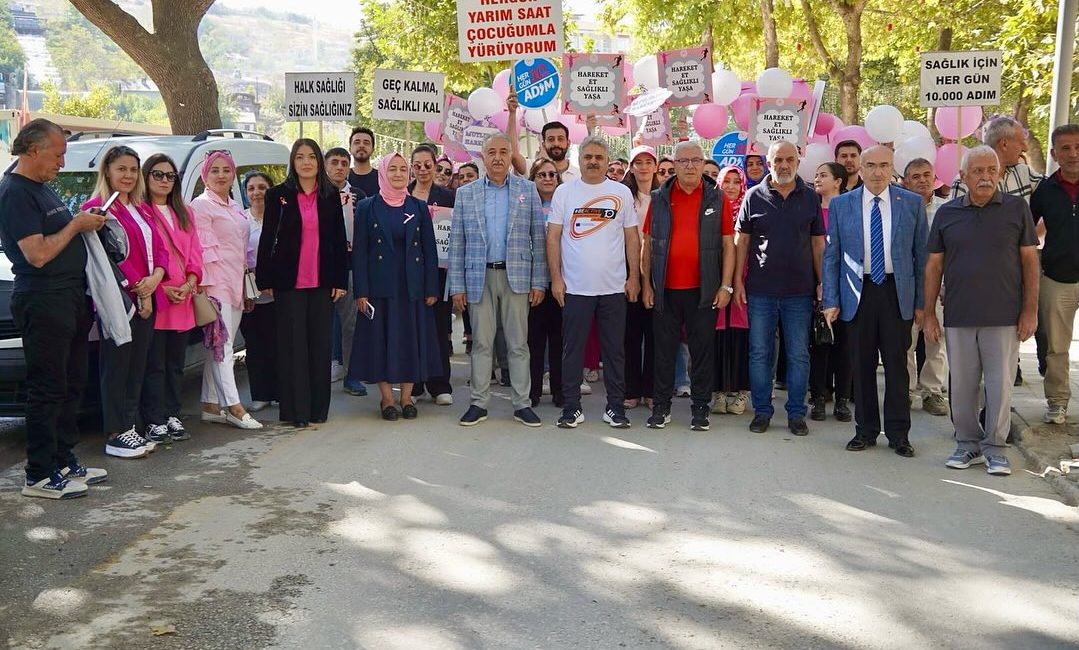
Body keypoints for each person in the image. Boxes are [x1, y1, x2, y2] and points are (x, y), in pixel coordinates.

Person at [0, 119, 106, 498]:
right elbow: (38, 254)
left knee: (71, 383)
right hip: (43, 299)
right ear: (33, 150)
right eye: (58, 153)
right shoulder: (15, 192)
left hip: (70, 298)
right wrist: (77, 224)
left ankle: (64, 459)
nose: (62, 161)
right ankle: (39, 474)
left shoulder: (43, 189)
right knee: (47, 387)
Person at [924, 145, 1040, 476]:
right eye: (978, 171)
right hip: (959, 315)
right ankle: (967, 444)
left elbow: (1030, 261)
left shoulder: (1017, 209)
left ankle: (996, 448)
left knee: (1000, 385)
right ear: (963, 177)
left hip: (1004, 315)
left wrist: (1030, 310)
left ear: (1000, 174)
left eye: (992, 170)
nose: (986, 176)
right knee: (961, 385)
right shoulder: (947, 214)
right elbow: (934, 266)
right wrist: (930, 313)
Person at [822, 146, 928, 457]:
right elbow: (832, 257)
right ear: (861, 169)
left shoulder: (911, 203)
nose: (878, 172)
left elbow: (922, 257)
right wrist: (831, 299)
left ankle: (898, 434)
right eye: (871, 165)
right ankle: (865, 430)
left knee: (897, 366)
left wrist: (922, 302)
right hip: (859, 292)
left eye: (884, 165)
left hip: (897, 293)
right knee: (861, 364)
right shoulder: (843, 205)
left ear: (892, 167)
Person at [449, 133, 548, 427]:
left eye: (504, 151)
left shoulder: (527, 190)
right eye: (491, 152)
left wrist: (538, 281)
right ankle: (478, 403)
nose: (498, 157)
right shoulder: (466, 194)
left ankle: (522, 404)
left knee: (518, 343)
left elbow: (538, 239)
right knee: (481, 343)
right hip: (479, 277)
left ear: (510, 156)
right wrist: (457, 287)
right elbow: (457, 244)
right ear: (482, 156)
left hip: (516, 276)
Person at [548, 136, 641, 428]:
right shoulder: (565, 192)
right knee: (572, 351)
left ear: (607, 160)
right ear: (580, 159)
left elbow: (631, 238)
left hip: (614, 288)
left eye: (599, 157)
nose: (593, 161)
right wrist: (556, 279)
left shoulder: (621, 193)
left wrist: (634, 277)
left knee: (614, 351)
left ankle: (615, 407)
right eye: (588, 156)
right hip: (575, 288)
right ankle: (571, 407)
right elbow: (553, 237)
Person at [82, 145, 169, 457]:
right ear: (108, 171)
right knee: (116, 366)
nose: (129, 175)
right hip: (120, 301)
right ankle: (116, 433)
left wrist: (157, 277)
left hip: (148, 297)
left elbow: (160, 248)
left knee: (137, 366)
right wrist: (140, 290)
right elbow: (110, 257)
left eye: (133, 169)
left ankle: (130, 427)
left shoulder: (142, 207)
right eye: (122, 169)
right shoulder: (98, 209)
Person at [733, 141, 825, 436]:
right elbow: (741, 242)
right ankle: (762, 412)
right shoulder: (753, 196)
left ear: (798, 162)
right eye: (777, 160)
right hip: (760, 289)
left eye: (789, 159)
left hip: (800, 290)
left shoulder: (810, 197)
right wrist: (736, 281)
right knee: (759, 354)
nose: (784, 165)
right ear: (768, 163)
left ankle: (796, 414)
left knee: (798, 354)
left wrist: (822, 282)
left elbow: (817, 244)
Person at [641, 141, 735, 431]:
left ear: (703, 163)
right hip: (665, 291)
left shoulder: (717, 199)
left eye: (696, 160)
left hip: (704, 291)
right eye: (684, 161)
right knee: (663, 352)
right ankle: (661, 408)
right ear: (674, 165)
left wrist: (726, 286)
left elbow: (727, 246)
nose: (690, 166)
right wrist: (647, 285)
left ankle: (700, 410)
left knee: (702, 352)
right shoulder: (658, 198)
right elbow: (647, 245)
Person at [256, 139, 348, 428]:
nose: (306, 162)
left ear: (318, 162)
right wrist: (265, 278)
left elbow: (337, 239)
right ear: (292, 162)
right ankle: (296, 411)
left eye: (311, 157)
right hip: (288, 282)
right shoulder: (277, 195)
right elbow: (267, 236)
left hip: (322, 281)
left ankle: (318, 409)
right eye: (300, 157)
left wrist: (340, 280)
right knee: (292, 346)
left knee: (319, 346)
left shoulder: (330, 194)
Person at [950, 116, 1043, 386]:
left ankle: (996, 419)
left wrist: (1029, 236)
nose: (1023, 148)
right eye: (1019, 143)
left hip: (1011, 283)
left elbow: (1056, 195)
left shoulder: (1024, 173)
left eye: (991, 171)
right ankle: (969, 420)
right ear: (1004, 143)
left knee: (1001, 368)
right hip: (972, 288)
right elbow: (956, 236)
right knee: (969, 371)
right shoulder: (962, 184)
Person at [350, 153, 442, 421]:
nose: (399, 174)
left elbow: (429, 250)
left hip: (411, 287)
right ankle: (388, 399)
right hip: (380, 288)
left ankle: (407, 397)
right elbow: (360, 252)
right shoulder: (368, 207)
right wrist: (361, 291)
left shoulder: (418, 206)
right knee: (381, 341)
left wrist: (431, 287)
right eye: (393, 169)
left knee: (411, 340)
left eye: (404, 169)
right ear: (383, 172)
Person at [191, 150, 263, 430]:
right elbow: (201, 250)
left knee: (219, 348)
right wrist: (206, 289)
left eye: (226, 170)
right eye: (215, 170)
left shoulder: (233, 206)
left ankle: (210, 404)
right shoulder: (200, 207)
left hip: (236, 284)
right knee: (223, 347)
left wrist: (246, 287)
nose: (221, 175)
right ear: (205, 176)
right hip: (215, 285)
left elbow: (242, 251)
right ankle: (234, 406)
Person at [138, 154, 202, 443]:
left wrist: (190, 284)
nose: (164, 180)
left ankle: (173, 413)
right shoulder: (139, 211)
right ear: (146, 176)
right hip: (155, 297)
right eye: (158, 174)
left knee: (176, 363)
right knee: (154, 363)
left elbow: (195, 255)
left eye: (170, 175)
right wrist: (161, 288)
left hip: (183, 298)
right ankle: (154, 418)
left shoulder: (184, 212)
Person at [1032, 124, 1079, 424]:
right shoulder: (1045, 190)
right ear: (1054, 153)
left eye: (1077, 146)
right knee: (1056, 349)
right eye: (1065, 148)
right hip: (1056, 279)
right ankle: (1058, 403)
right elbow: (1025, 232)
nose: (1073, 153)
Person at [901, 157, 949, 416]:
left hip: (938, 288)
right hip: (906, 287)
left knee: (936, 340)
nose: (921, 180)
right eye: (916, 176)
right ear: (906, 182)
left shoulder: (947, 209)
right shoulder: (900, 208)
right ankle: (906, 391)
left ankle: (933, 392)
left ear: (934, 178)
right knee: (905, 342)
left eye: (926, 175)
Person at [409, 143, 456, 405]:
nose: (424, 169)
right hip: (410, 273)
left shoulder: (447, 197)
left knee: (438, 328)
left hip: (439, 273)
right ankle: (414, 386)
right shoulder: (401, 195)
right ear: (411, 167)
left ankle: (440, 385)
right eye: (418, 165)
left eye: (429, 165)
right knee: (412, 328)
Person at [809, 162, 853, 422]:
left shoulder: (849, 209)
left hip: (845, 286)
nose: (817, 179)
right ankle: (817, 397)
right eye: (816, 174)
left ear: (838, 181)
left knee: (844, 345)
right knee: (818, 344)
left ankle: (842, 400)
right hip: (815, 287)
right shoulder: (811, 210)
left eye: (823, 175)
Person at [324, 146, 366, 396]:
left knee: (351, 324)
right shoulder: (315, 194)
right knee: (319, 324)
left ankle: (353, 376)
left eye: (343, 163)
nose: (339, 167)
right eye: (334, 162)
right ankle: (319, 372)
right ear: (326, 166)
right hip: (320, 268)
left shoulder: (359, 195)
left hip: (350, 266)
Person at [622, 145, 659, 410]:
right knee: (630, 333)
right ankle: (631, 388)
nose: (644, 167)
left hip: (658, 271)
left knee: (656, 333)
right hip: (626, 269)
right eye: (639, 162)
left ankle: (651, 388)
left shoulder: (664, 197)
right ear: (631, 167)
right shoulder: (624, 197)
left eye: (649, 162)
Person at [713, 165, 751, 416]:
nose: (730, 186)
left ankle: (741, 393)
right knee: (716, 340)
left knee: (742, 340)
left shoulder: (749, 212)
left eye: (736, 182)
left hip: (745, 285)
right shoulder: (710, 211)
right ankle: (716, 392)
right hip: (715, 284)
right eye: (726, 181)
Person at [238, 172, 278, 410]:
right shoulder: (241, 221)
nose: (257, 192)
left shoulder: (281, 219)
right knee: (255, 344)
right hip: (249, 292)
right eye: (251, 188)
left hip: (277, 292)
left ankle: (280, 392)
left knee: (279, 344)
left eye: (262, 187)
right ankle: (260, 394)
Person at [527, 158, 564, 408]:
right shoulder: (525, 206)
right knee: (534, 340)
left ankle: (560, 391)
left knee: (560, 339)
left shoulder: (566, 203)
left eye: (552, 174)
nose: (548, 178)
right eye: (542, 175)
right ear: (534, 179)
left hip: (562, 280)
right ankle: (534, 391)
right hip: (534, 282)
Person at [513, 120, 580, 180]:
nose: (556, 143)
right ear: (543, 144)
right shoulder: (532, 167)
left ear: (568, 143)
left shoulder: (579, 175)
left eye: (560, 139)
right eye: (551, 139)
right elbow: (513, 155)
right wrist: (512, 113)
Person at [348, 126, 379, 198]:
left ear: (373, 150)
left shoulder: (382, 178)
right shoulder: (343, 177)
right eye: (357, 142)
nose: (361, 145)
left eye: (366, 143)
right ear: (350, 149)